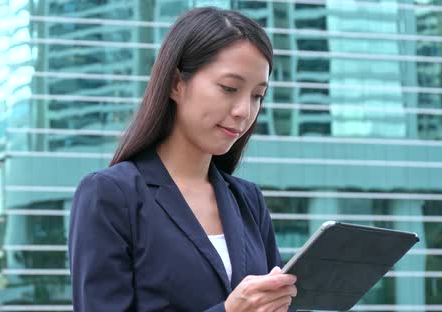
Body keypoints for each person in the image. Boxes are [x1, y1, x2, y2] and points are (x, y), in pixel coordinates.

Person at [68, 7, 297, 312]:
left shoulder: (248, 200)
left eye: (257, 95)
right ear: (176, 83)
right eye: (229, 88)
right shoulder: (111, 195)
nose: (244, 110)